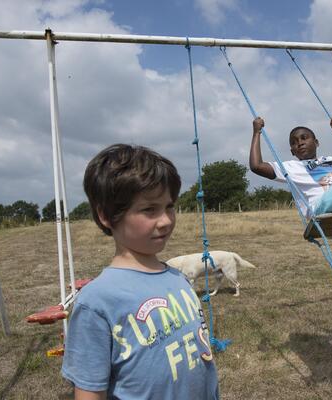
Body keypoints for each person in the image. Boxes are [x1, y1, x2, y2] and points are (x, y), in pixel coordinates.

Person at [62, 144, 219, 400]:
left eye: (169, 206)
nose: (166, 220)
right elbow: (90, 392)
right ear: (107, 216)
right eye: (149, 210)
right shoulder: (97, 301)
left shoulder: (177, 278)